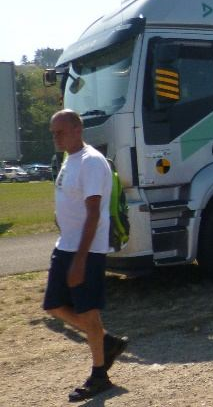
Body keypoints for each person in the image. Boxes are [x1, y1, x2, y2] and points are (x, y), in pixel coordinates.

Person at [44, 110, 128, 402]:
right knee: (54, 305)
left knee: (88, 311)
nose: (55, 137)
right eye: (53, 132)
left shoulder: (91, 161)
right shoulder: (70, 158)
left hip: (85, 250)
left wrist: (80, 259)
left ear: (78, 129)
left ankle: (99, 374)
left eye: (60, 131)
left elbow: (94, 213)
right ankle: (105, 341)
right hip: (65, 245)